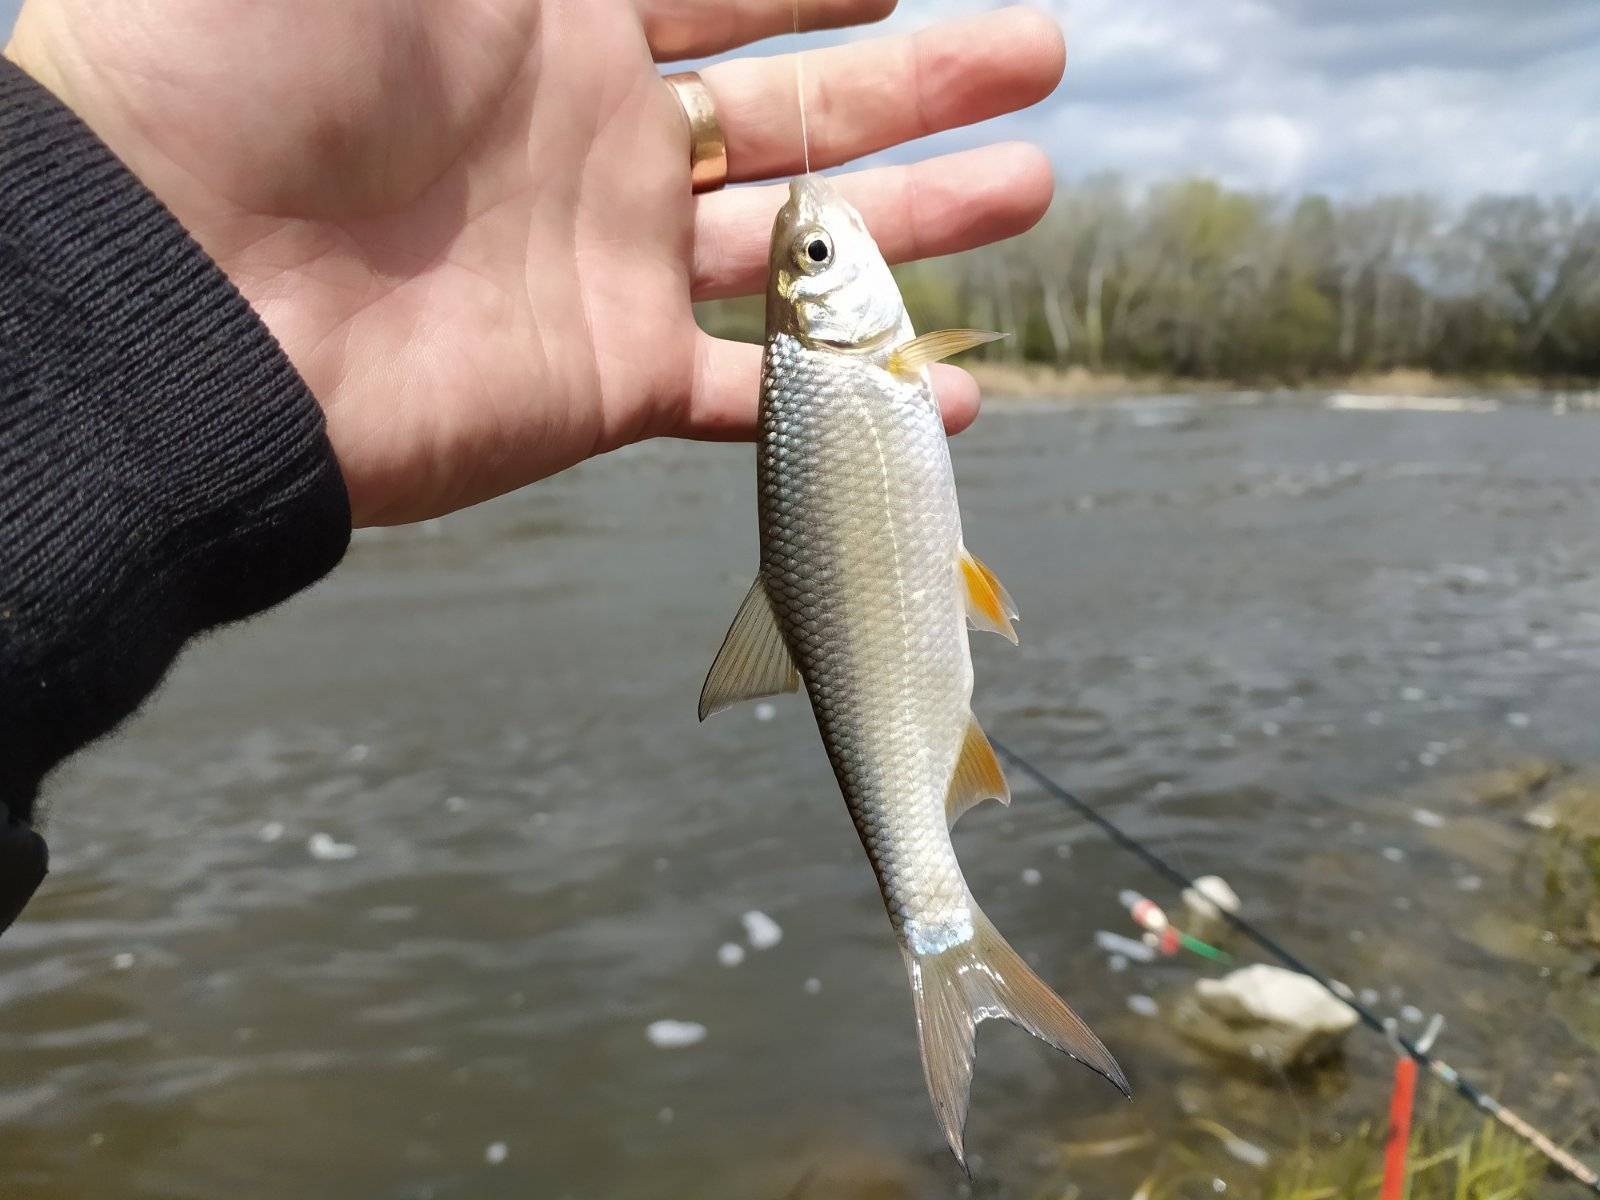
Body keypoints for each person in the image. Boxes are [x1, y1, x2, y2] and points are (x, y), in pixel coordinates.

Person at [0, 0, 1067, 934]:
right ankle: (938, 924)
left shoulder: (851, 368)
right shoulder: (877, 363)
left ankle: (938, 920)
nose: (813, 238)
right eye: (814, 258)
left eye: (812, 257)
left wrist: (89, 282)